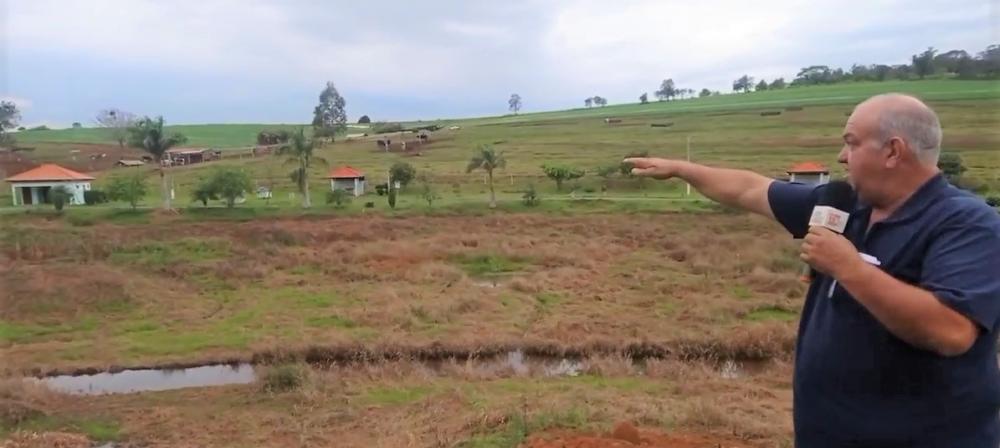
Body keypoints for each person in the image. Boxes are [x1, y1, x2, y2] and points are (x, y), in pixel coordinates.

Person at [625, 93, 1000, 447]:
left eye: (852, 143)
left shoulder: (967, 224)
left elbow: (952, 331)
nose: (841, 156)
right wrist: (680, 169)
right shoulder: (841, 207)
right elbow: (748, 189)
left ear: (892, 151)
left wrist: (848, 267)